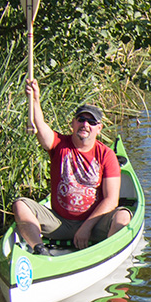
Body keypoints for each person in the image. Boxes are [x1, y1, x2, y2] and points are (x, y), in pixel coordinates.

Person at [13, 79, 131, 255]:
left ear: (99, 128)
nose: (85, 125)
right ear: (73, 123)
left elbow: (111, 200)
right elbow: (41, 128)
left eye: (91, 122)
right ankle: (39, 250)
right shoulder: (59, 144)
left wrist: (86, 227)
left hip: (95, 224)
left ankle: (106, 254)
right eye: (81, 119)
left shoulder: (106, 155)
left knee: (123, 216)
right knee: (20, 205)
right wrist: (35, 100)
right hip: (60, 223)